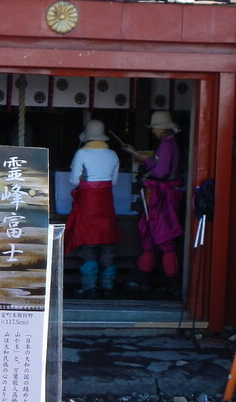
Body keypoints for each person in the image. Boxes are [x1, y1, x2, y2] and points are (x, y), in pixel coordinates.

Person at [126, 111, 184, 297]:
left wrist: (143, 159)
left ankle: (166, 283)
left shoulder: (166, 146)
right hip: (163, 196)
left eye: (155, 127)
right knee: (154, 238)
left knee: (161, 239)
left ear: (162, 128)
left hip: (160, 198)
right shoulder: (170, 143)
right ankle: (146, 280)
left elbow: (159, 173)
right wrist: (143, 158)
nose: (153, 131)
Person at [64, 119, 122, 297]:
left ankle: (90, 288)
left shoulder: (82, 153)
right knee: (106, 243)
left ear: (87, 137)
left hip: (88, 203)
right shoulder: (113, 155)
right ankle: (108, 286)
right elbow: (114, 182)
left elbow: (74, 181)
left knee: (88, 244)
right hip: (105, 203)